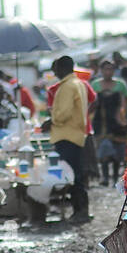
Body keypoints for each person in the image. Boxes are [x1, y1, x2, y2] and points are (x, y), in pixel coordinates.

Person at [46, 55, 91, 224]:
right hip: (75, 135)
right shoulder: (78, 83)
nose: (54, 72)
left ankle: (81, 212)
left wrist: (51, 119)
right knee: (76, 174)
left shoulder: (67, 87)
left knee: (72, 176)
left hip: (66, 136)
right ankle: (81, 210)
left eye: (55, 68)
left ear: (63, 68)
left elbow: (62, 114)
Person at [92, 59, 127, 185]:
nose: (108, 71)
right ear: (101, 70)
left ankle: (115, 178)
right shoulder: (95, 85)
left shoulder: (121, 85)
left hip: (117, 122)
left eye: (111, 69)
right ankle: (106, 177)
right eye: (106, 69)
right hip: (100, 122)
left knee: (117, 151)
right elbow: (91, 103)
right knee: (103, 150)